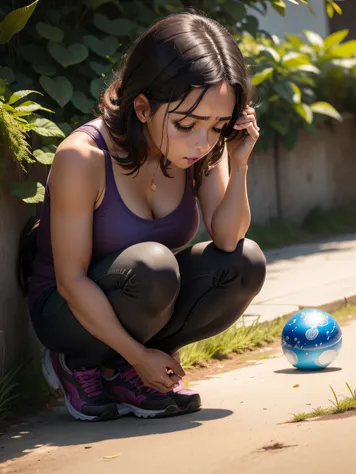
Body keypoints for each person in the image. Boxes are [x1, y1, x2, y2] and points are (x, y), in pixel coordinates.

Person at [20, 11, 266, 422]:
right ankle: (78, 364)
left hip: (143, 296)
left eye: (219, 126)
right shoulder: (83, 157)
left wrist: (238, 162)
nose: (202, 142)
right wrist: (139, 355)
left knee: (244, 263)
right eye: (187, 124)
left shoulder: (206, 149)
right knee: (153, 265)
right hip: (66, 310)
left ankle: (120, 372)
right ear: (142, 107)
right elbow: (71, 281)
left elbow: (227, 239)